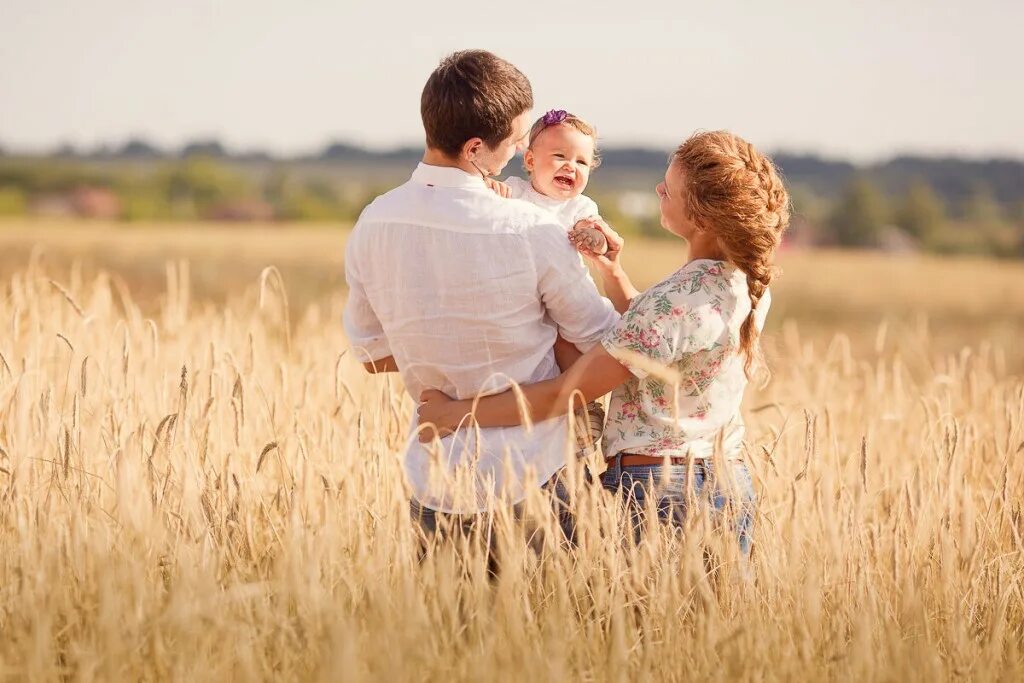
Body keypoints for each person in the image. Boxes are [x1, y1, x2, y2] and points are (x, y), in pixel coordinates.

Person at [418, 130, 791, 559]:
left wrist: (455, 414)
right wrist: (611, 271)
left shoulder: (673, 305)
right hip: (727, 483)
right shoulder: (743, 285)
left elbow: (567, 392)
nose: (658, 190)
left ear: (704, 220)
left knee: (643, 625)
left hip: (661, 494)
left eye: (668, 189)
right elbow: (659, 334)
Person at [342, 50, 618, 547]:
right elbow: (605, 341)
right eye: (515, 143)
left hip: (435, 480)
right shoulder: (531, 228)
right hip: (535, 474)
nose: (514, 153)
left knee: (451, 626)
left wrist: (445, 355)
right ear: (474, 149)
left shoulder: (373, 221)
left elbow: (372, 355)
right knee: (552, 623)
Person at [485, 108, 608, 453]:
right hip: (520, 291)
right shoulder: (514, 192)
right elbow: (485, 198)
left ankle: (579, 403)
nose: (571, 166)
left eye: (582, 162)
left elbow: (594, 230)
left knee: (565, 344)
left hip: (563, 297)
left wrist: (592, 237)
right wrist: (490, 189)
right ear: (529, 160)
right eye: (560, 156)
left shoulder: (580, 208)